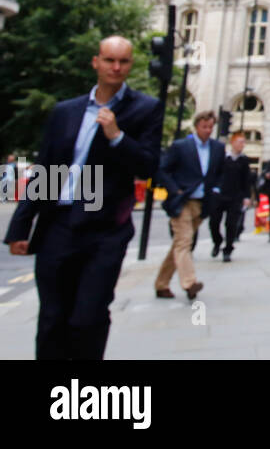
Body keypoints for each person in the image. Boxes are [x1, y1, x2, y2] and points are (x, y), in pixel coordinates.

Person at [3, 36, 162, 360]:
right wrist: (20, 227)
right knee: (52, 318)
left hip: (104, 230)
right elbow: (46, 169)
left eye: (124, 62)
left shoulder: (145, 109)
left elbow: (148, 166)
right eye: (109, 60)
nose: (116, 67)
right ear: (96, 62)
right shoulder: (66, 111)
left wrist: (117, 136)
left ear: (131, 65)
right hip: (58, 225)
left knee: (86, 318)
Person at [154, 111, 224, 301]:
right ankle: (189, 282)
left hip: (201, 204)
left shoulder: (217, 148)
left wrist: (216, 189)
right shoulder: (181, 146)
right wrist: (174, 189)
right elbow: (162, 169)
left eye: (210, 127)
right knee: (185, 241)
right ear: (196, 126)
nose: (208, 130)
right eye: (204, 127)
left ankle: (161, 284)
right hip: (182, 201)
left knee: (179, 244)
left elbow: (219, 173)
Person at [210, 131, 253, 261]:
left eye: (244, 142)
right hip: (220, 195)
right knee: (214, 222)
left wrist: (246, 197)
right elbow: (214, 174)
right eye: (240, 142)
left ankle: (228, 249)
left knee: (231, 224)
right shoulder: (223, 157)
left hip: (235, 197)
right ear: (232, 142)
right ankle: (217, 241)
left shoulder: (244, 160)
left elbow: (246, 180)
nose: (242, 145)